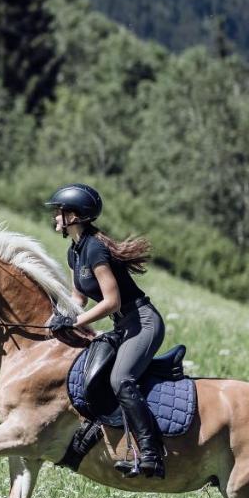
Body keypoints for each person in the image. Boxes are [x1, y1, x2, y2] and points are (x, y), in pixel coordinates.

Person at [45, 183, 165, 478]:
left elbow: (112, 301)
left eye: (59, 212)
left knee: (121, 379)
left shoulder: (96, 248)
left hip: (143, 322)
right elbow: (79, 298)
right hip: (123, 326)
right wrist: (59, 317)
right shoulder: (75, 251)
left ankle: (151, 454)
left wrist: (76, 322)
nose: (55, 217)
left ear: (74, 216)